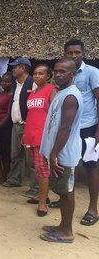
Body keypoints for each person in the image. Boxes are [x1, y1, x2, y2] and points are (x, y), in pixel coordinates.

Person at [40, 58, 82, 243]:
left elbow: (65, 128)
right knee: (63, 190)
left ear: (73, 73)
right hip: (57, 152)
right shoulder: (62, 92)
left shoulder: (71, 96)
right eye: (56, 71)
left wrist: (54, 153)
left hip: (64, 153)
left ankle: (67, 232)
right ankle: (62, 226)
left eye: (63, 71)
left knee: (67, 192)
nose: (58, 75)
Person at [64, 39, 99, 225]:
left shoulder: (92, 73)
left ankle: (93, 208)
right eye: (70, 53)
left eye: (77, 52)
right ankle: (65, 200)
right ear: (65, 54)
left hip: (88, 127)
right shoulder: (65, 74)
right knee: (69, 164)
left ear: (83, 53)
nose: (74, 56)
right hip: (69, 128)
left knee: (91, 166)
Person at [22, 65, 57, 216]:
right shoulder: (33, 92)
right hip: (30, 134)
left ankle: (43, 203)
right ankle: (43, 196)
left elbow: (55, 114)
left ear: (48, 76)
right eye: (35, 73)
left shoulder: (51, 90)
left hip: (42, 136)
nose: (37, 76)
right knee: (37, 168)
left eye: (41, 74)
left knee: (43, 169)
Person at [3, 57, 39, 199]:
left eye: (15, 67)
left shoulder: (33, 84)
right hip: (16, 125)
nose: (13, 69)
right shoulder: (17, 84)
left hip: (28, 125)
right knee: (15, 155)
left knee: (31, 158)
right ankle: (14, 180)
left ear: (23, 68)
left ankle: (35, 187)